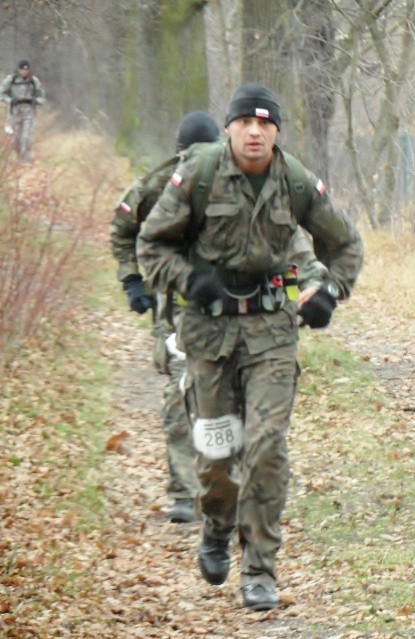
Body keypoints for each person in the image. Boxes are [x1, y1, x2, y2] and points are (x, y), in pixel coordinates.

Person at [137, 83, 363, 611]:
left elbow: (345, 244)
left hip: (270, 333)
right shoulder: (198, 173)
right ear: (230, 128)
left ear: (277, 131)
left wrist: (329, 292)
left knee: (266, 448)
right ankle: (216, 523)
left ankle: (260, 568)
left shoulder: (295, 180)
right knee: (217, 455)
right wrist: (189, 281)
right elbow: (152, 242)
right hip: (208, 334)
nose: (255, 132)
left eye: (265, 124)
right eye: (245, 123)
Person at [109, 110, 222, 523]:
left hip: (227, 307)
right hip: (174, 309)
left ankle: (224, 487)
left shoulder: (239, 182)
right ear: (179, 153)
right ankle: (183, 491)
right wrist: (132, 282)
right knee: (179, 394)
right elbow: (122, 228)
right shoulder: (158, 185)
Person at [0, 60, 46, 162]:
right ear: (19, 70)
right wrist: (10, 100)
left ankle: (25, 161)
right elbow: (2, 93)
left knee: (26, 137)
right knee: (15, 139)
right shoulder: (11, 80)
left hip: (28, 113)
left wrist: (35, 101)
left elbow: (42, 97)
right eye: (22, 70)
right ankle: (18, 156)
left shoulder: (34, 81)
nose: (24, 72)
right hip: (15, 113)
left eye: (26, 70)